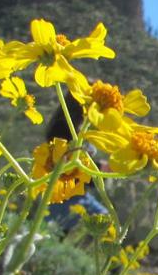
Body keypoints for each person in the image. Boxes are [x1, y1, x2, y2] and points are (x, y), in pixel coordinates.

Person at [43, 91, 109, 233]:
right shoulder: (61, 129)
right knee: (57, 234)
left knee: (105, 221)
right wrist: (99, 169)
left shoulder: (81, 128)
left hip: (78, 194)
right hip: (64, 196)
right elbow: (66, 165)